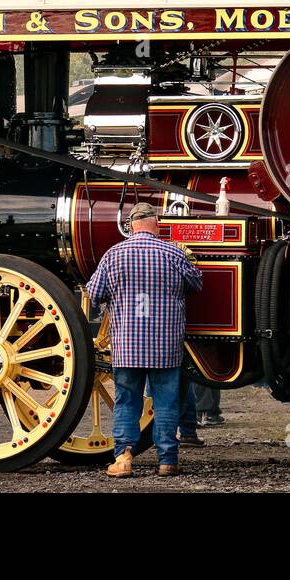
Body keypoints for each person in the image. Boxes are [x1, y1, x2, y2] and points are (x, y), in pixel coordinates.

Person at [86, 202, 202, 477]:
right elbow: (197, 284)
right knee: (166, 402)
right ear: (156, 223)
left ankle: (124, 459)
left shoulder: (113, 255)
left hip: (127, 345)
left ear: (131, 225)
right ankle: (167, 461)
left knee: (127, 401)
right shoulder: (173, 253)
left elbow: (94, 292)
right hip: (166, 346)